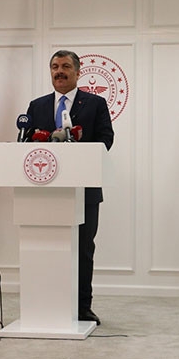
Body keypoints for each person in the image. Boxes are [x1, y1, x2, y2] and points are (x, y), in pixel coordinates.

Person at [26, 50, 114, 325]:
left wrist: (77, 148)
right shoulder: (37, 106)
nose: (59, 71)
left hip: (84, 191)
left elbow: (106, 140)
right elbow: (26, 144)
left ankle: (82, 308)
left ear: (77, 72)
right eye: (54, 67)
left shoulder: (95, 103)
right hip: (45, 193)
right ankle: (45, 305)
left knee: (83, 250)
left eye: (65, 66)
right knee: (45, 247)